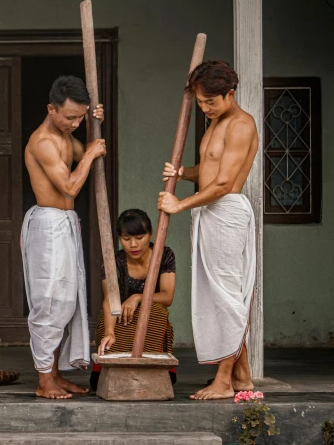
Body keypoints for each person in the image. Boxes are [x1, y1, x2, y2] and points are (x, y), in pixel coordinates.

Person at [159, 60, 258, 400]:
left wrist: (179, 204)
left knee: (228, 296)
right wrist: (183, 173)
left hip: (226, 211)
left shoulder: (241, 125)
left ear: (230, 94)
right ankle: (242, 375)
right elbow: (209, 168)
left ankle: (225, 380)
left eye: (210, 102)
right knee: (218, 293)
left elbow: (225, 182)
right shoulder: (215, 123)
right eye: (200, 102)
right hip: (208, 210)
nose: (204, 108)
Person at [22, 75, 105, 399]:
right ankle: (45, 382)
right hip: (47, 225)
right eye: (70, 117)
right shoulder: (42, 140)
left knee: (66, 303)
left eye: (80, 116)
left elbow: (88, 152)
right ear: (51, 109)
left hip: (66, 223)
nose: (75, 122)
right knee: (49, 302)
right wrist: (89, 154)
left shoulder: (66, 135)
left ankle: (54, 375)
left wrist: (92, 127)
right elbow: (70, 185)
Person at [90, 209, 177, 391]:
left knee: (157, 312)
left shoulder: (164, 255)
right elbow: (109, 300)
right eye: (126, 238)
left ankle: (152, 364)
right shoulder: (114, 262)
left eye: (139, 237)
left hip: (150, 320)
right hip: (121, 320)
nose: (133, 244)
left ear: (151, 234)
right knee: (99, 381)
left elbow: (167, 296)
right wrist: (109, 332)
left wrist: (138, 297)